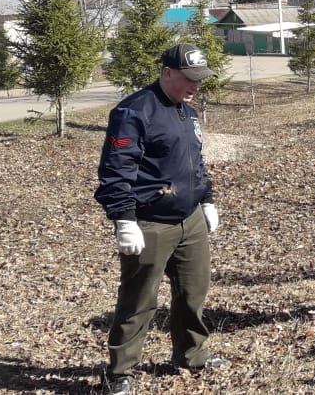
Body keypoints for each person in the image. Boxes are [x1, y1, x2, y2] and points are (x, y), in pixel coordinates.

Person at [94, 43, 230, 395]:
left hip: (190, 219)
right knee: (139, 301)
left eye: (200, 79)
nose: (195, 85)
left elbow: (195, 163)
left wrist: (207, 199)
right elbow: (115, 170)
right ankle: (120, 373)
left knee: (193, 292)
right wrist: (124, 219)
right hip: (150, 222)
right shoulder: (134, 112)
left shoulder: (188, 111)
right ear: (167, 72)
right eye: (189, 78)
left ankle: (192, 355)